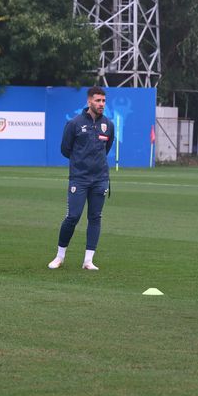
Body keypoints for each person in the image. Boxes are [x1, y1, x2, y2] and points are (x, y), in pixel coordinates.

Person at [49, 86, 115, 271]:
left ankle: (88, 261)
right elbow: (65, 149)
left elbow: (106, 148)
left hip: (100, 178)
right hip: (79, 178)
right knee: (73, 217)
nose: (101, 104)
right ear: (89, 102)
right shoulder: (74, 123)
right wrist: (81, 163)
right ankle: (59, 256)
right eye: (98, 100)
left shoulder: (108, 125)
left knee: (95, 217)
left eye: (103, 101)